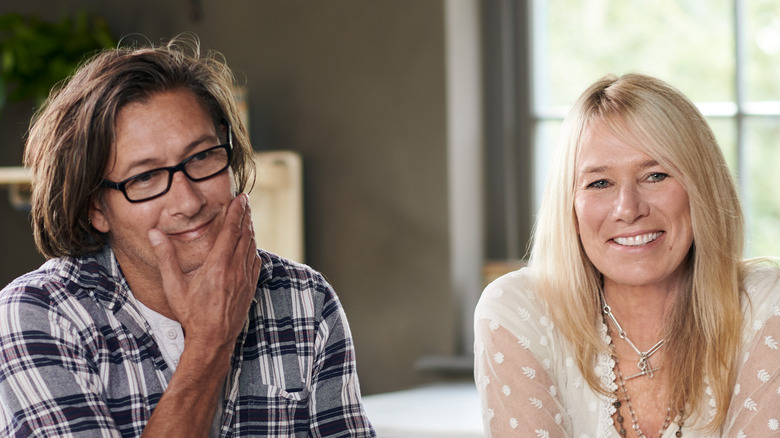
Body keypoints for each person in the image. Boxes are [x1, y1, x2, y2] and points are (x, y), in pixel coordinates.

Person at [0, 36, 375, 437]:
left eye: (202, 156)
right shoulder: (36, 317)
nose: (189, 200)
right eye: (145, 177)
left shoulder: (304, 298)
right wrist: (210, 342)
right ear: (96, 208)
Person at [474, 73, 780, 437]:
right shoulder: (517, 311)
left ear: (702, 188)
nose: (628, 208)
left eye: (655, 175)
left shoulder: (764, 305)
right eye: (599, 183)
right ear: (569, 208)